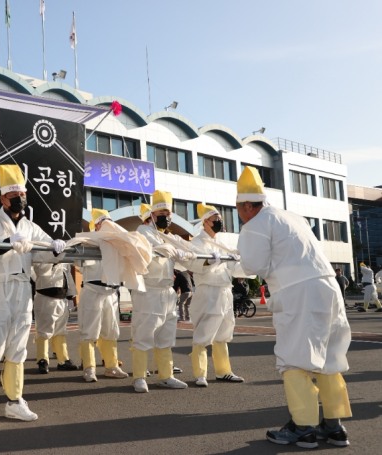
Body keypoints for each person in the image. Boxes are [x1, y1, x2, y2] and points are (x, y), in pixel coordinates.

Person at [236, 166, 352, 448]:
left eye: (239, 208)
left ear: (249, 205)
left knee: (294, 359)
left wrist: (231, 260)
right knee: (328, 356)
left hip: (299, 292)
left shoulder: (257, 223)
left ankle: (303, 427)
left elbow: (253, 265)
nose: (239, 213)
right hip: (328, 287)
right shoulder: (292, 217)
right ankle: (334, 426)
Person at [0, 164, 66, 429]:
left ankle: (14, 401)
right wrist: (5, 243)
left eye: (23, 194)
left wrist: (56, 249)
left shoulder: (30, 226)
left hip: (23, 289)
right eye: (15, 195)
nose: (20, 199)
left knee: (18, 348)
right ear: (3, 198)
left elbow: (44, 254)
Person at [76, 208, 151, 384]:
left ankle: (111, 366)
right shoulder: (87, 240)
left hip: (111, 291)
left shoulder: (118, 241)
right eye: (103, 222)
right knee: (89, 331)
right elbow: (77, 262)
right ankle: (89, 367)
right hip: (92, 290)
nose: (107, 225)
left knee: (111, 331)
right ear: (96, 225)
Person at [131, 196, 194, 393]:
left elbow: (185, 250)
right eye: (161, 214)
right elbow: (151, 248)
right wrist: (170, 249)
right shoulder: (143, 231)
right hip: (149, 290)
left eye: (168, 214)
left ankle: (166, 376)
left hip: (168, 291)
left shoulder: (166, 235)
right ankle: (139, 376)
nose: (166, 217)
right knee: (144, 334)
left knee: (166, 336)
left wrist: (185, 251)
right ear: (152, 214)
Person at [188, 203, 244, 388]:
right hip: (208, 291)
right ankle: (200, 374)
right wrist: (208, 262)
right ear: (205, 222)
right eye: (215, 219)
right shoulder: (196, 243)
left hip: (225, 290)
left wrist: (240, 261)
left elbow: (233, 269)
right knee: (204, 333)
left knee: (224, 333)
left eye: (220, 218)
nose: (219, 222)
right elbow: (191, 264)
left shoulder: (222, 243)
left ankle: (223, 371)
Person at [33, 261, 78, 374]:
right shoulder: (43, 252)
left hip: (61, 298)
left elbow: (67, 274)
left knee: (60, 331)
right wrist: (53, 260)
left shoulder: (62, 254)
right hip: (46, 297)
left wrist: (71, 293)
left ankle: (63, 360)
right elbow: (39, 271)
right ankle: (42, 360)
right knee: (44, 331)